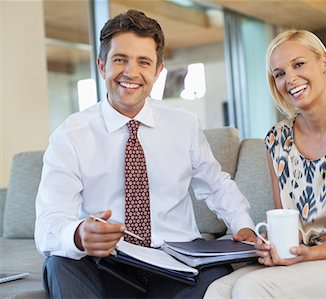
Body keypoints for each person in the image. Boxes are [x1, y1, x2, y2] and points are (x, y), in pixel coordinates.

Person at [34, 9, 255, 299]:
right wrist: (77, 235)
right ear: (102, 66)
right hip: (109, 264)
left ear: (157, 71)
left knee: (220, 276)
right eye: (120, 59)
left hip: (176, 264)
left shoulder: (184, 125)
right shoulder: (70, 136)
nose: (131, 72)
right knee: (59, 264)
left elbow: (216, 186)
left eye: (144, 62)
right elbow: (49, 224)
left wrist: (245, 227)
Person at [204, 29, 326, 298]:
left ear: (324, 63)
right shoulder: (277, 140)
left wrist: (309, 255)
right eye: (279, 73)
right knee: (218, 289)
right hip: (309, 254)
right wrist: (271, 247)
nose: (290, 79)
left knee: (251, 287)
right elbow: (288, 223)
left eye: (298, 64)